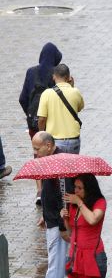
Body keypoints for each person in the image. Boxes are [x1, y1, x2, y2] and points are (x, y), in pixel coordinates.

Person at [25, 132, 68, 278]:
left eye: (37, 148)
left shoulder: (59, 164)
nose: (35, 153)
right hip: (52, 220)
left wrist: (62, 226)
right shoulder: (51, 162)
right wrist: (45, 214)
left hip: (58, 225)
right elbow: (50, 196)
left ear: (49, 146)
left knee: (56, 265)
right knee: (59, 263)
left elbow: (62, 199)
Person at [18, 42, 62, 203]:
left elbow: (22, 98)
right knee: (53, 153)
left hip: (34, 123)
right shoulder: (56, 74)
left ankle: (39, 191)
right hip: (51, 123)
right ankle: (54, 188)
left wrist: (30, 115)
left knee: (38, 154)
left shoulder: (31, 72)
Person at [37, 63, 84, 155]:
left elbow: (42, 119)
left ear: (54, 76)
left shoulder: (47, 94)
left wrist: (41, 135)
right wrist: (72, 87)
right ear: (69, 77)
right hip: (73, 140)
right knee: (73, 168)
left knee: (56, 168)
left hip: (55, 141)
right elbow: (79, 108)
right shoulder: (75, 92)